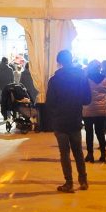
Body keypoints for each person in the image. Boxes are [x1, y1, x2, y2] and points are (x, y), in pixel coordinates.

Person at [45, 50, 91, 193]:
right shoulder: (81, 77)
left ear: (59, 62)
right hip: (75, 118)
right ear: (72, 59)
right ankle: (83, 181)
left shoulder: (54, 79)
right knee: (78, 152)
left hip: (60, 120)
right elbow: (87, 99)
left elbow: (50, 102)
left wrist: (56, 112)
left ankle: (69, 183)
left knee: (64, 153)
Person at [83, 60, 106, 163]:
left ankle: (90, 155)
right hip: (101, 110)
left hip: (88, 109)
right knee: (100, 133)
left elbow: (82, 92)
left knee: (89, 133)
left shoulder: (86, 79)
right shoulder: (104, 79)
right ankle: (103, 154)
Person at [0, 57, 14, 121]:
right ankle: (8, 116)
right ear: (6, 61)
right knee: (7, 102)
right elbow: (12, 80)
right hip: (8, 88)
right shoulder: (10, 69)